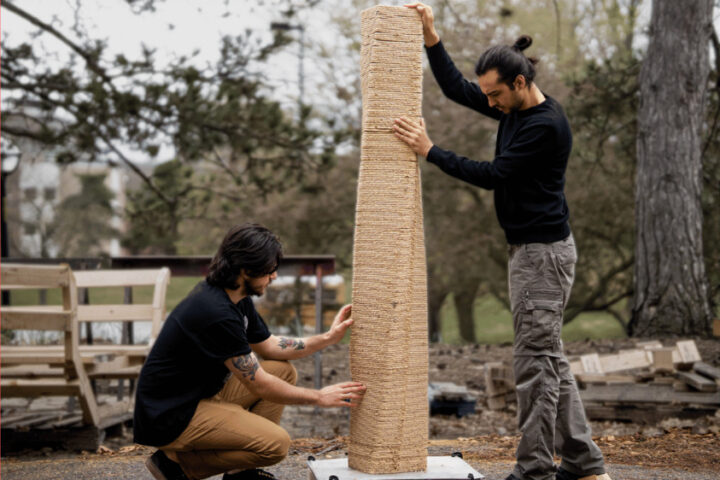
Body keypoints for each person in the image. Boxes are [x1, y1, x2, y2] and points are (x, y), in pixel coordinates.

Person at [393, 4, 611, 480]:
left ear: (518, 83)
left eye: (494, 95)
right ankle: (585, 463)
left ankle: (533, 471)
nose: (487, 103)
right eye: (486, 94)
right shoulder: (511, 105)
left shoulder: (543, 127)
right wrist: (432, 37)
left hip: (542, 257)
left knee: (534, 366)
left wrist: (430, 151)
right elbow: (455, 88)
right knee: (549, 357)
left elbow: (493, 176)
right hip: (532, 253)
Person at [134, 223, 366, 480]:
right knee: (276, 444)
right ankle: (177, 466)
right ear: (246, 269)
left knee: (282, 371)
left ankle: (241, 474)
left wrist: (326, 338)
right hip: (170, 415)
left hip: (195, 397)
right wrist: (319, 397)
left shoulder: (236, 297)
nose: (274, 276)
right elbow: (260, 385)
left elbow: (269, 345)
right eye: (270, 269)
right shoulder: (216, 312)